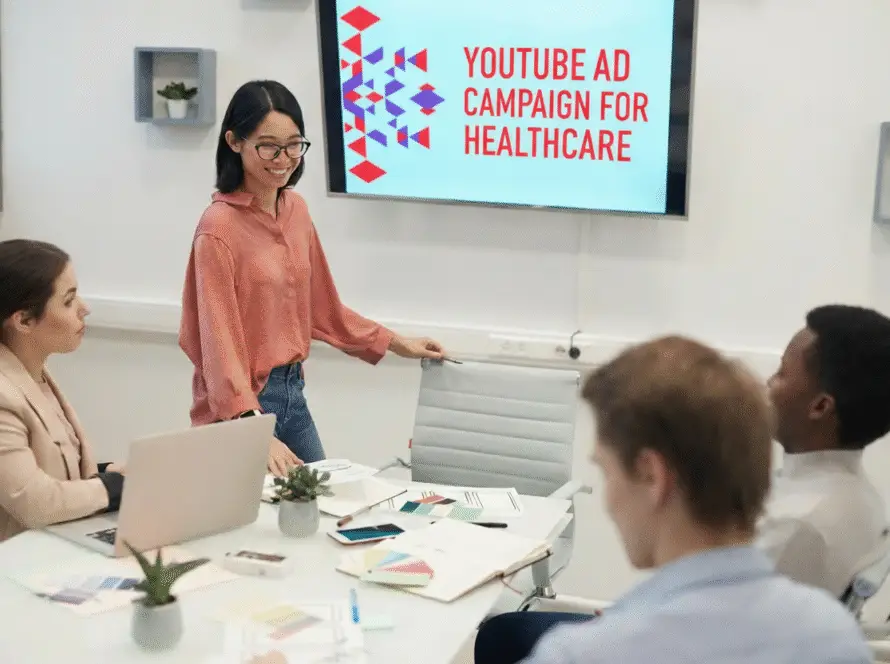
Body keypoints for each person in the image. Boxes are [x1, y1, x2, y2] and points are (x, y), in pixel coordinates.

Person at [476, 336, 872, 664]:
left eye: (607, 472)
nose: (609, 503)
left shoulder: (578, 654)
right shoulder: (836, 637)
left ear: (652, 476)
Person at [179, 80, 446, 475]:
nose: (283, 159)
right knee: (255, 514)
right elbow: (218, 344)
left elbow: (321, 308)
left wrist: (396, 342)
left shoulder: (295, 210)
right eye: (268, 146)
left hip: (292, 395)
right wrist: (250, 424)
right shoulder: (218, 228)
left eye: (293, 145)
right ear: (234, 142)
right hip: (239, 410)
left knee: (322, 504)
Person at [761, 304, 890, 597]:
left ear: (820, 406)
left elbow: (711, 618)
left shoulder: (796, 525)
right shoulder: (863, 498)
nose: (768, 382)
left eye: (781, 373)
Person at [0, 239, 124, 542]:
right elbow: (33, 500)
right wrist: (114, 486)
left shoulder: (35, 375)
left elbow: (47, 468)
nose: (85, 308)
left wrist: (108, 472)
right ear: (24, 320)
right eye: (68, 301)